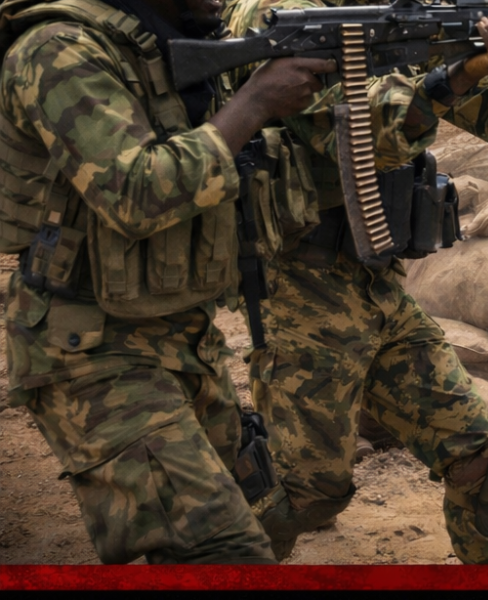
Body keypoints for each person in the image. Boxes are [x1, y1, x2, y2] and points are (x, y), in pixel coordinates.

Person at [222, 0, 488, 564]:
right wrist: (462, 70)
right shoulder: (279, 16)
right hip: (297, 285)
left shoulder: (395, 13)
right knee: (307, 496)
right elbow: (360, 128)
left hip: (375, 280)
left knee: (482, 455)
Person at [0, 0, 358, 564]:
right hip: (86, 344)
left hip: (183, 332)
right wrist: (256, 101)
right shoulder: (57, 50)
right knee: (223, 552)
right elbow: (133, 193)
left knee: (249, 512)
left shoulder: (168, 44)